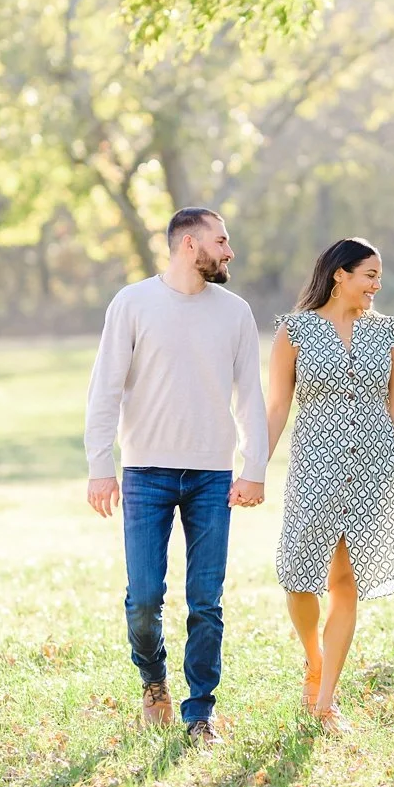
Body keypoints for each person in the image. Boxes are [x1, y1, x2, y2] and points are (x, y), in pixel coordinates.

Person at [84, 207, 267, 746]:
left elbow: (250, 395)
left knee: (206, 599)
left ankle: (200, 710)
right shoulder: (133, 303)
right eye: (222, 240)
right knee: (144, 597)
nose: (229, 251)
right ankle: (153, 681)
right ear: (190, 244)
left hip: (213, 474)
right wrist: (101, 468)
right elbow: (105, 389)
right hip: (145, 473)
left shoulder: (235, 313)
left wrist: (253, 467)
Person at [266, 238, 394, 734]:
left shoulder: (389, 334)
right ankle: (313, 658)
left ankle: (327, 699)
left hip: (375, 471)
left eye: (379, 277)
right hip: (315, 468)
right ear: (339, 275)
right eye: (369, 275)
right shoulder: (296, 331)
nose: (377, 285)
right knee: (299, 580)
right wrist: (251, 470)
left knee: (345, 583)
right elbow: (276, 408)